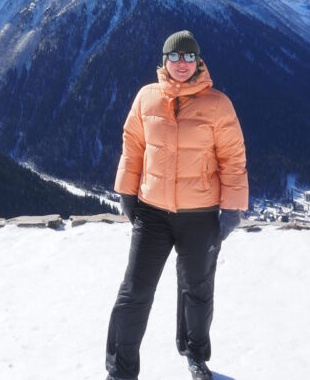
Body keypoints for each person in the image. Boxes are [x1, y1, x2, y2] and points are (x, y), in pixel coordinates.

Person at [105, 30, 248, 380]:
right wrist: (126, 190)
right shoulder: (146, 98)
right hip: (152, 213)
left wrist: (231, 208)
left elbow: (232, 157)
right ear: (164, 60)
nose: (181, 64)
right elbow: (133, 145)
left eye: (188, 58)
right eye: (175, 57)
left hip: (199, 215)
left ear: (198, 62)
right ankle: (120, 371)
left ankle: (196, 357)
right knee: (135, 290)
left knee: (197, 291)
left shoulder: (218, 104)